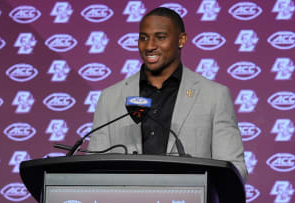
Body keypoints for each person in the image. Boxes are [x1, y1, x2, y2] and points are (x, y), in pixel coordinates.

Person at [87, 7, 248, 181]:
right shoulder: (110, 97)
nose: (149, 46)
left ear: (181, 40)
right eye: (143, 38)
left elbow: (233, 169)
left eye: (160, 37)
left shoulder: (214, 96)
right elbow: (93, 167)